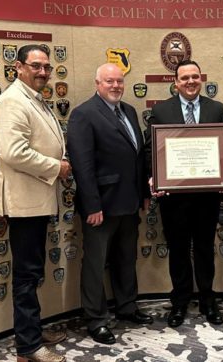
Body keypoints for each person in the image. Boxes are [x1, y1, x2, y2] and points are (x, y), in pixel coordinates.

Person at [0, 44, 71, 362]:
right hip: (24, 203)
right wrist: (58, 167)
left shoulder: (33, 99)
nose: (42, 72)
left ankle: (32, 330)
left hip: (36, 199)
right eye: (36, 65)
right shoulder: (11, 101)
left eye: (46, 67)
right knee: (26, 276)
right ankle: (28, 348)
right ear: (19, 67)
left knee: (33, 272)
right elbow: (13, 153)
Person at [67, 63, 153, 345]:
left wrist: (144, 194)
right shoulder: (83, 114)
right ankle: (96, 319)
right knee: (95, 263)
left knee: (126, 258)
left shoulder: (129, 111)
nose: (115, 86)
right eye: (109, 81)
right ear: (97, 83)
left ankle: (127, 307)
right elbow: (82, 164)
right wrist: (92, 206)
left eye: (119, 81)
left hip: (128, 202)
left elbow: (137, 158)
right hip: (101, 206)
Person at [145, 60, 223, 328]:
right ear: (176, 82)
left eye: (195, 76)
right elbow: (150, 150)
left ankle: (207, 300)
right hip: (174, 198)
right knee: (178, 250)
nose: (190, 81)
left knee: (204, 248)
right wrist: (154, 176)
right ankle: (180, 301)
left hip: (207, 197)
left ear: (200, 78)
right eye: (185, 78)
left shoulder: (217, 109)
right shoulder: (161, 110)